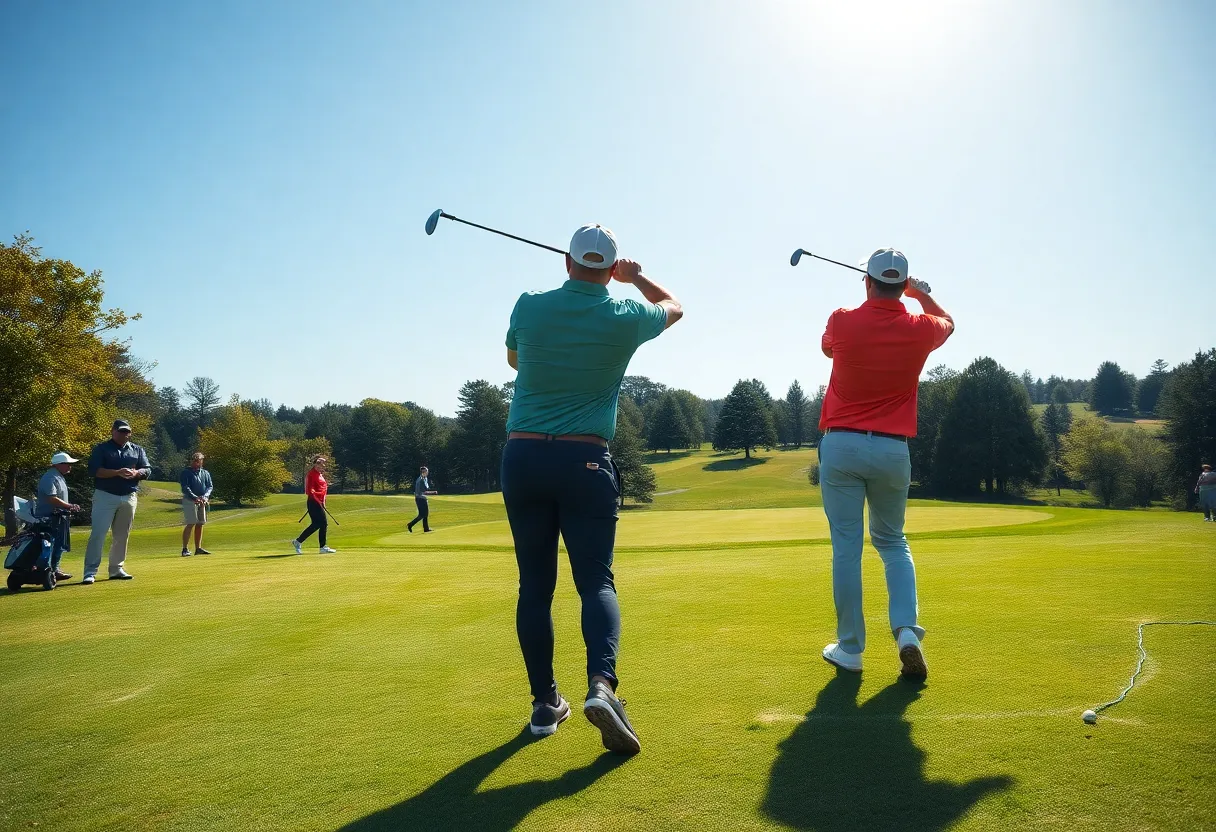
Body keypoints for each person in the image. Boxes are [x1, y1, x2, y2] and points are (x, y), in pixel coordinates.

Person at [502, 223, 682, 752]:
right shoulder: (624, 314)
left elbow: (515, 360)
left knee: (535, 586)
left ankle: (544, 704)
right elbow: (674, 307)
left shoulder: (529, 304)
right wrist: (637, 278)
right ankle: (602, 688)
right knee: (596, 584)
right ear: (611, 268)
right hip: (585, 460)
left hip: (524, 457)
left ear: (567, 261)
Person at [817, 248, 954, 678]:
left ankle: (850, 650)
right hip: (893, 450)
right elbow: (948, 322)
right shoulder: (921, 328)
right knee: (893, 542)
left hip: (842, 444)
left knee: (847, 548)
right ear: (903, 285)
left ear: (867, 281)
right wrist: (921, 295)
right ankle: (907, 632)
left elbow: (826, 348)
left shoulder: (842, 319)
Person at [83, 419, 151, 584]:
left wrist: (137, 473)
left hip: (129, 496)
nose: (124, 434)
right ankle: (90, 572)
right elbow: (94, 470)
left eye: (127, 431)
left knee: (122, 535)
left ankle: (116, 569)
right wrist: (117, 472)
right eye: (121, 431)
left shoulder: (137, 450)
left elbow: (147, 469)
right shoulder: (102, 449)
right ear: (113, 431)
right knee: (98, 534)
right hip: (105, 495)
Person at [35, 451, 82, 581]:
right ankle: (45, 570)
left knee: (59, 544)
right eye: (67, 464)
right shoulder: (50, 477)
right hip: (49, 518)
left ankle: (54, 570)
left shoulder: (58, 476)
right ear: (58, 464)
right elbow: (51, 498)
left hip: (59, 518)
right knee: (50, 544)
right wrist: (69, 506)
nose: (70, 466)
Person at [292, 456, 336, 554]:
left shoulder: (319, 475)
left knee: (317, 524)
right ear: (315, 464)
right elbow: (310, 490)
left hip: (318, 502)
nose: (322, 466)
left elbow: (323, 490)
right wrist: (318, 500)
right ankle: (322, 547)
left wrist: (323, 502)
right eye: (320, 464)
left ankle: (298, 542)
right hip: (313, 502)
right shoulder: (311, 474)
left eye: (323, 465)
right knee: (322, 523)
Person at [180, 453, 214, 556]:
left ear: (201, 461)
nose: (195, 463)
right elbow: (185, 488)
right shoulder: (186, 472)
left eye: (198, 461)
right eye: (194, 460)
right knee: (191, 523)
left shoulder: (205, 473)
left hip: (202, 501)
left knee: (200, 523)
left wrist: (205, 497)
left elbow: (209, 486)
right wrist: (195, 497)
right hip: (189, 500)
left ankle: (198, 548)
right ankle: (185, 549)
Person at [407, 466, 438, 533]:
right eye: (427, 471)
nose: (427, 472)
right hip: (420, 499)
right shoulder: (421, 480)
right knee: (422, 515)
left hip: (422, 498)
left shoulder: (424, 479)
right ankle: (410, 524)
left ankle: (426, 528)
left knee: (425, 514)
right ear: (424, 472)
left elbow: (426, 489)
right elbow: (424, 492)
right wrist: (433, 493)